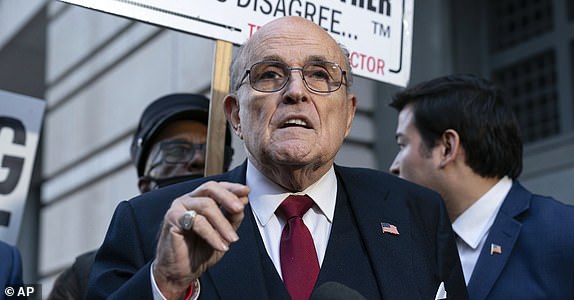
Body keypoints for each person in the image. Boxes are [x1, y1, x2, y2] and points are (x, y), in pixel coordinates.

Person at [87, 16, 467, 300]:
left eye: (320, 75)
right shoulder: (148, 224)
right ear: (236, 114)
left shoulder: (416, 213)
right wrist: (165, 283)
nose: (296, 92)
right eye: (270, 75)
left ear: (349, 114)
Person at [389, 74, 574, 300]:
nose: (394, 166)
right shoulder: (412, 248)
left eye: (403, 144)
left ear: (447, 147)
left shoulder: (563, 234)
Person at [48, 93, 233, 299]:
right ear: (145, 186)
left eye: (210, 151)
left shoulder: (253, 252)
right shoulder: (84, 276)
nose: (198, 159)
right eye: (175, 152)